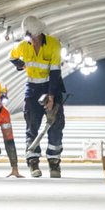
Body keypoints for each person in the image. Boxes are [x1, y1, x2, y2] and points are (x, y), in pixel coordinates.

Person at [9, 15, 66, 178]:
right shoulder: (22, 46)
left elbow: (55, 72)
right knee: (32, 125)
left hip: (51, 86)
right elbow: (11, 57)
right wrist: (20, 65)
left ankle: (54, 162)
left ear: (39, 34)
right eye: (29, 37)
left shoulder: (54, 44)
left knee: (55, 125)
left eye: (33, 37)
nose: (31, 41)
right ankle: (33, 161)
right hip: (32, 90)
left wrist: (52, 96)